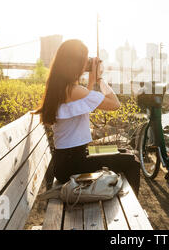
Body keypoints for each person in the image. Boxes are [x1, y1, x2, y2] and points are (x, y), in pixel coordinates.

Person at [34, 39, 140, 195]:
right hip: (74, 163)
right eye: (85, 60)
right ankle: (132, 211)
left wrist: (90, 82)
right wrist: (99, 79)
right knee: (132, 161)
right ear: (74, 63)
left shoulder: (62, 88)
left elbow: (83, 102)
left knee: (124, 150)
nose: (87, 63)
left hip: (70, 158)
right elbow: (115, 104)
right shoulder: (73, 90)